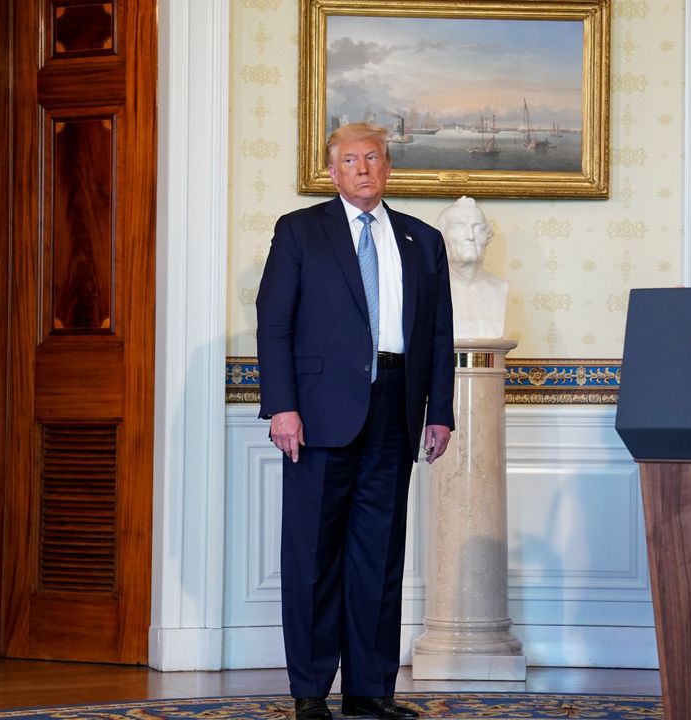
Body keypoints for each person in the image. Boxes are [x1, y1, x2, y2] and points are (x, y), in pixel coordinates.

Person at [255, 122, 456, 720]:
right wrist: (282, 406)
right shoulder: (299, 232)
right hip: (317, 414)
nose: (363, 168)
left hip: (397, 406)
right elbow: (274, 323)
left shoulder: (423, 240)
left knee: (379, 551)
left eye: (372, 158)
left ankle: (371, 690)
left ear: (388, 167)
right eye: (350, 160)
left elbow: (441, 333)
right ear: (333, 171)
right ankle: (311, 691)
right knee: (314, 551)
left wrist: (439, 411)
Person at [438, 196, 508, 338]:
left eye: (478, 228)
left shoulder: (501, 288)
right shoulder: (429, 290)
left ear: (487, 236)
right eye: (459, 226)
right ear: (441, 237)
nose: (470, 236)